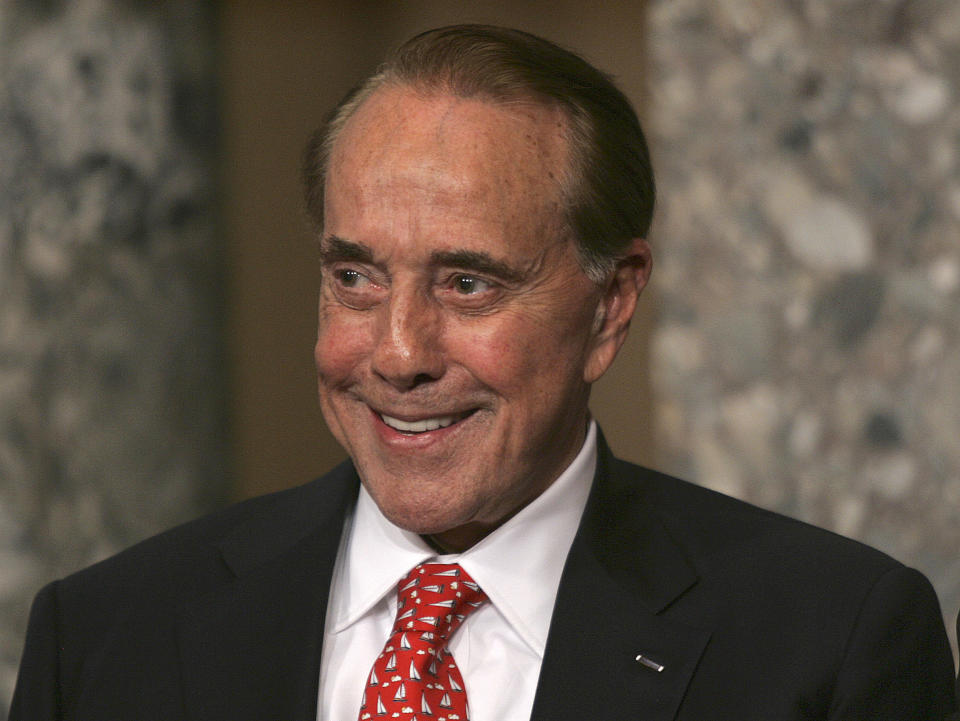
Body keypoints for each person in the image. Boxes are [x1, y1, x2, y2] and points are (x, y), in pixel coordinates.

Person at [9, 24, 957, 721]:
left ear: (611, 304)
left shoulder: (831, 644)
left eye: (467, 283)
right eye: (355, 278)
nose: (398, 353)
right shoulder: (104, 638)